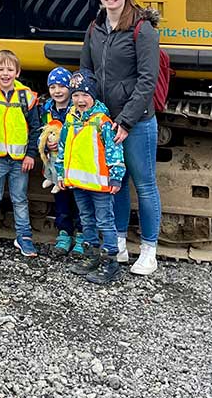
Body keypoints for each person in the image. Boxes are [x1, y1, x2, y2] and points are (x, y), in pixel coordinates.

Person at [80, 0, 161, 275]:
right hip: (105, 121)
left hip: (137, 122)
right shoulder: (95, 27)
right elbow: (86, 72)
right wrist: (90, 112)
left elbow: (147, 80)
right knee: (116, 185)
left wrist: (125, 121)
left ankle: (150, 250)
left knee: (145, 183)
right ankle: (121, 244)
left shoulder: (143, 30)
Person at [55, 70, 126, 285]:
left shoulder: (102, 121)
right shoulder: (70, 119)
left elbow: (114, 150)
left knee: (105, 220)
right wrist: (61, 172)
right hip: (78, 182)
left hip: (100, 183)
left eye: (84, 95)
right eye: (75, 95)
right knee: (86, 219)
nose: (79, 100)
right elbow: (62, 147)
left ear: (93, 96)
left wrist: (116, 175)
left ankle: (110, 260)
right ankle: (92, 255)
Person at [0, 49, 43, 257]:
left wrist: (31, 154)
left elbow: (35, 128)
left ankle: (24, 236)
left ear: (18, 72)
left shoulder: (27, 97)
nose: (5, 73)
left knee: (20, 198)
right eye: (1, 69)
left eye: (10, 69)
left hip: (19, 160)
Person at [41, 66, 86, 258]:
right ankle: (64, 233)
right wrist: (44, 146)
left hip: (74, 164)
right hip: (55, 167)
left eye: (61, 86)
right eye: (53, 87)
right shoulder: (47, 109)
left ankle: (82, 235)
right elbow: (41, 132)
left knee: (79, 200)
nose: (57, 91)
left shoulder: (76, 110)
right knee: (61, 199)